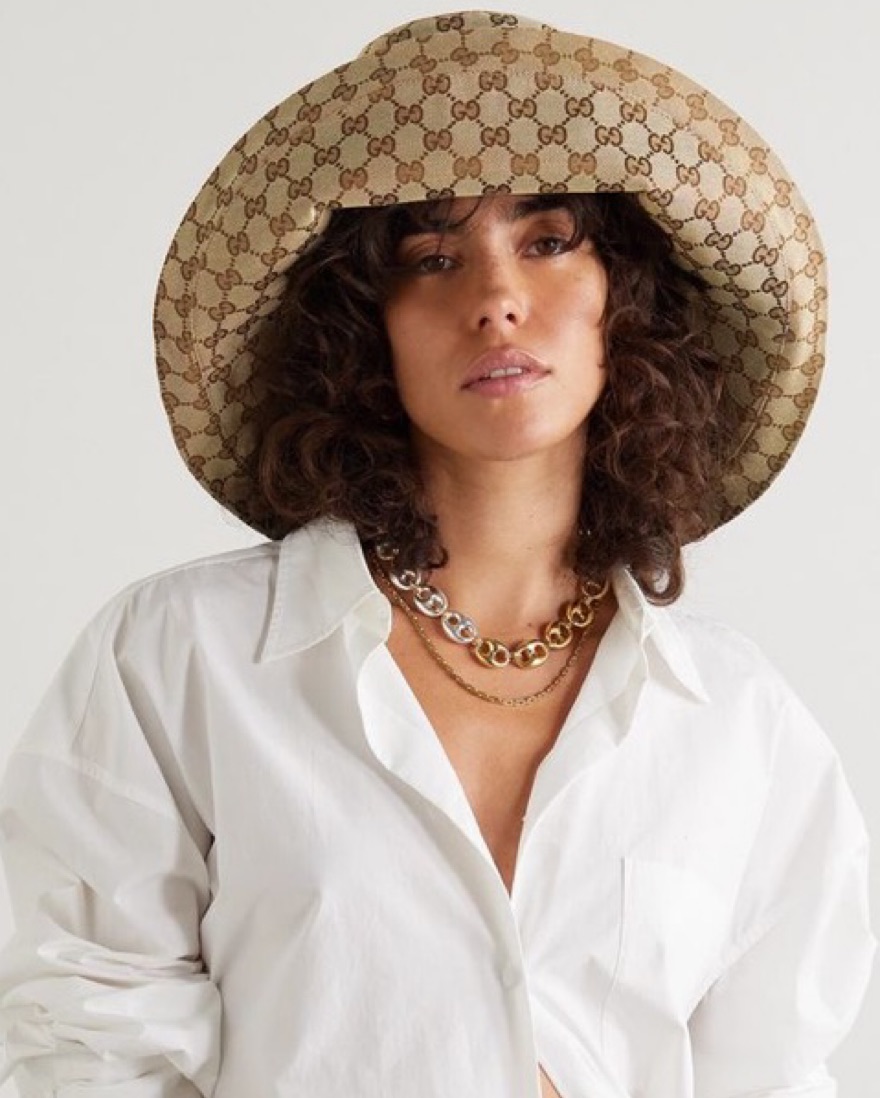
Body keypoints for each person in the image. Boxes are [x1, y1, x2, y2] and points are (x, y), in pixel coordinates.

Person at [0, 10, 874, 1098]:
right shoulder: (183, 660)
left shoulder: (739, 722)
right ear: (363, 329)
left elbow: (773, 1074)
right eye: (433, 259)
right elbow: (86, 1046)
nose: (496, 300)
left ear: (625, 298)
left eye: (548, 241)